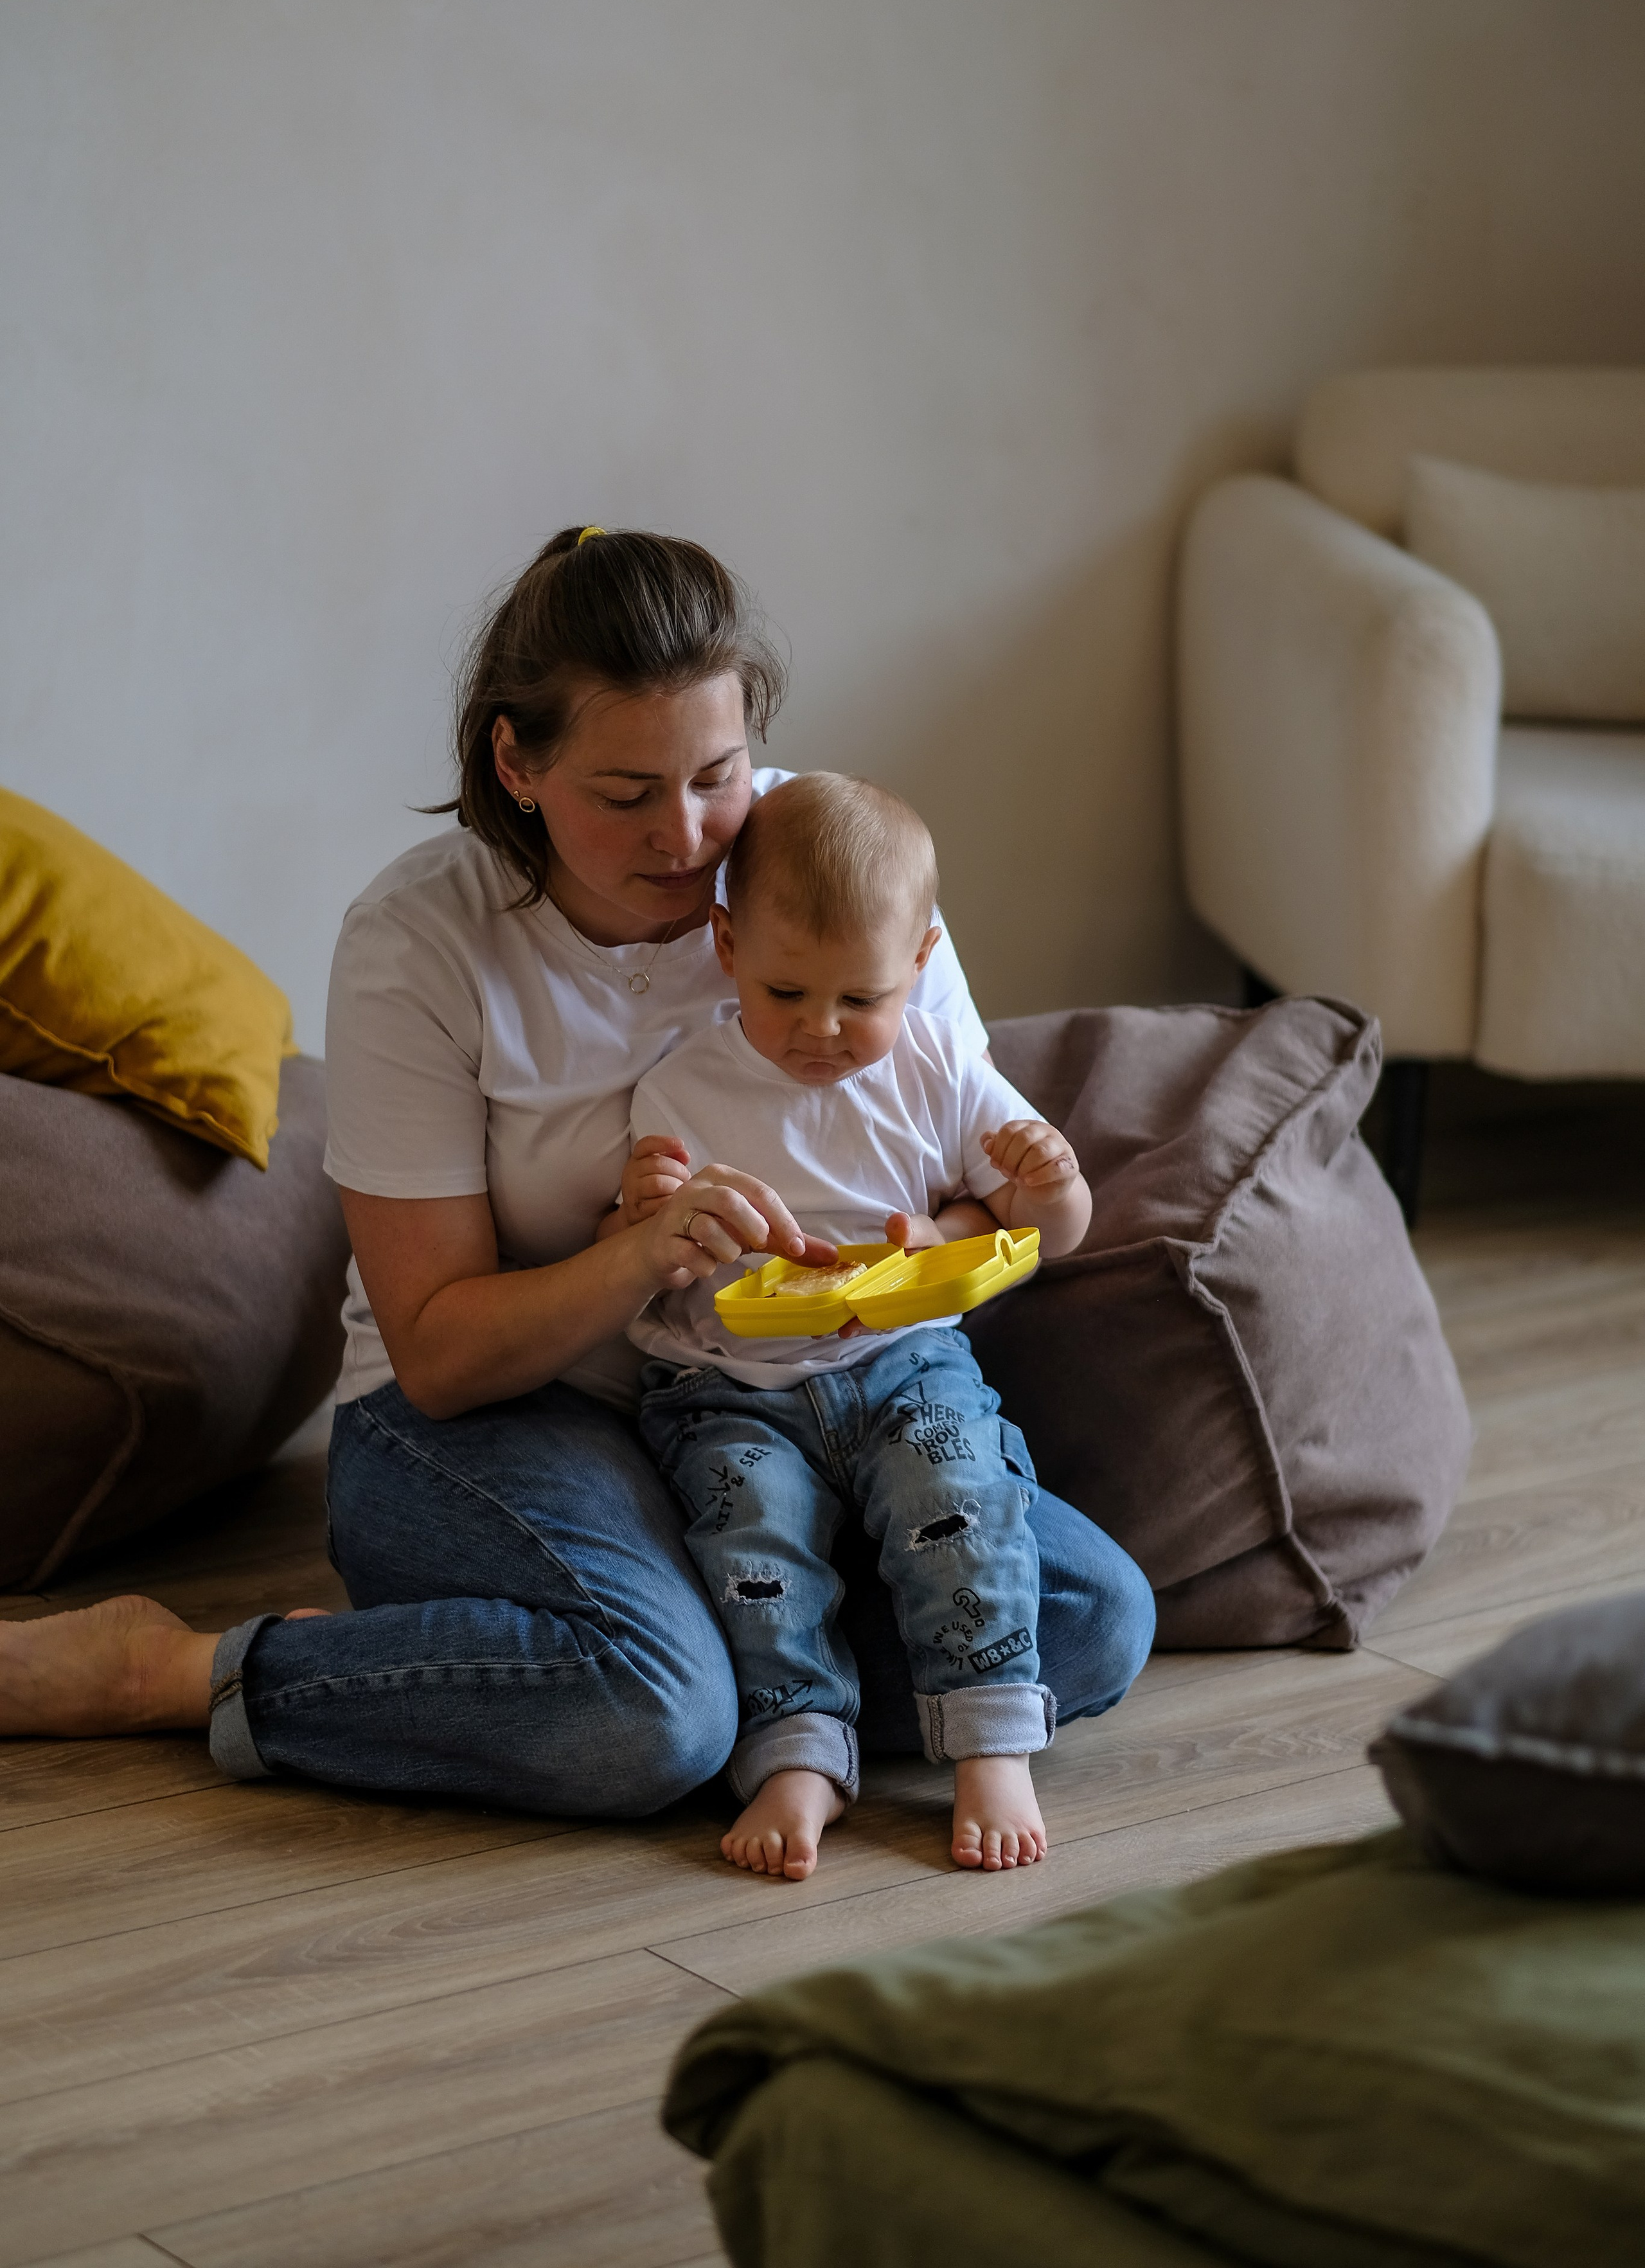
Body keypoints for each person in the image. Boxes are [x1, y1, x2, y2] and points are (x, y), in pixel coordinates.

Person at [0, 526, 1154, 1824]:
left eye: (717, 774)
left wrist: (926, 1241)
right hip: (497, 1414)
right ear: (518, 765)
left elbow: (958, 1160)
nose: (687, 835)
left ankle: (668, 1675)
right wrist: (640, 1256)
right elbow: (438, 1355)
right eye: (625, 794)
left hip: (785, 1401)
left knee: (1093, 1618)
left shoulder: (835, 866)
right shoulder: (421, 941)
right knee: (659, 1713)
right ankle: (183, 1672)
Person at [617, 771, 1090, 1879]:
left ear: (920, 964)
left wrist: (1052, 1182)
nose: (821, 1031)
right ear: (727, 946)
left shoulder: (941, 1067)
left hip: (903, 1360)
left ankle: (990, 1738)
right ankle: (795, 1755)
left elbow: (1054, 1231)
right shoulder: (682, 1090)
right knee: (755, 1548)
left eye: (860, 1000)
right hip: (728, 1385)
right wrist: (648, 1210)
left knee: (960, 1498)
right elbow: (646, 1257)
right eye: (785, 992)